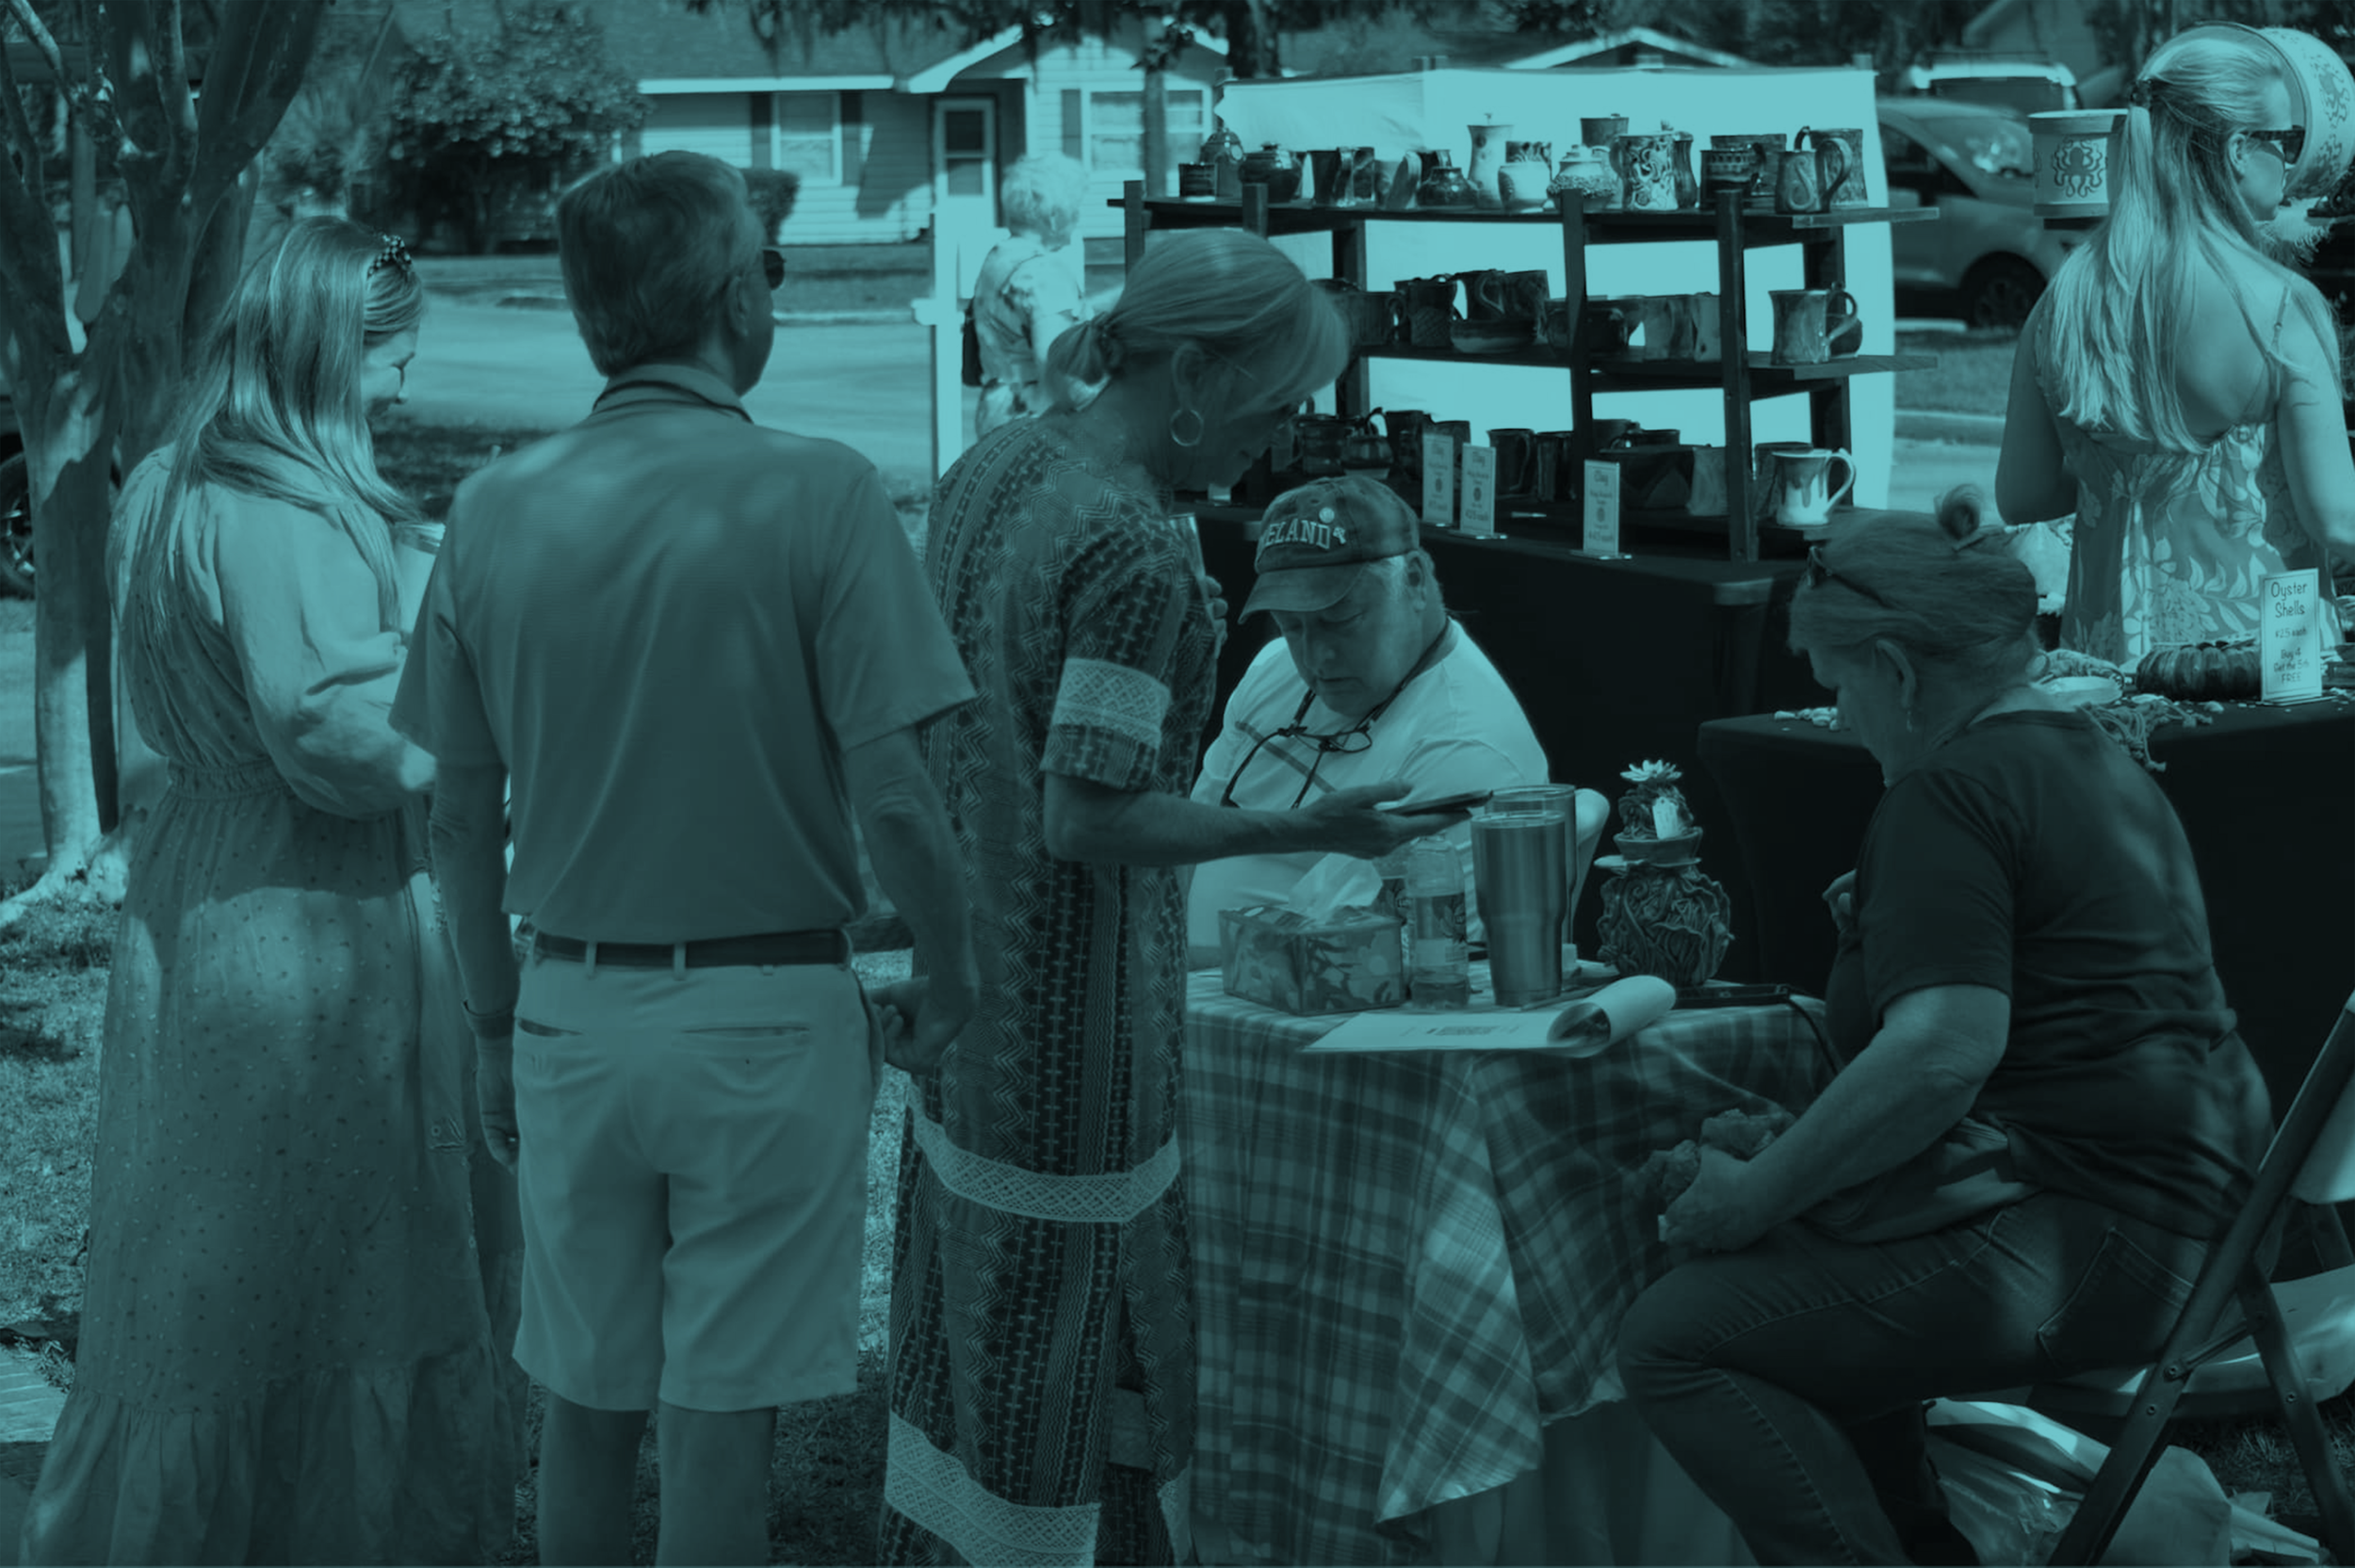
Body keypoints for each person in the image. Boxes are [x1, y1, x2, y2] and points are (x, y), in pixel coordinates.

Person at [390, 151, 980, 1568]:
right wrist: (953, 965)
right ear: (733, 298)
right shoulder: (823, 494)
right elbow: (896, 790)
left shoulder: (490, 506)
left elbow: (462, 814)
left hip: (571, 1004)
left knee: (583, 1401)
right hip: (763, 1016)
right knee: (721, 1421)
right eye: (766, 272)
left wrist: (486, 1022)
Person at [881, 229, 1465, 1567]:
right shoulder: (1136, 548)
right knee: (1072, 1378)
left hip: (966, 995)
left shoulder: (993, 467)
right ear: (1193, 375)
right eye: (1269, 406)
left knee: (967, 1350)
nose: (1274, 443)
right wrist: (1309, 822)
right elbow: (1088, 813)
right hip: (1072, 1037)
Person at [1614, 490, 2273, 1566]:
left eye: (1840, 690)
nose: (1840, 719)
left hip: (2110, 1236)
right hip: (2200, 1217)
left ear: (1902, 671)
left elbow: (1940, 1052)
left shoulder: (1949, 791)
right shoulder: (2085, 751)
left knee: (1677, 1337)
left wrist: (1753, 1198)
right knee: (1804, 1271)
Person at [22, 220, 518, 1563]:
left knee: (201, 1253)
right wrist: (480, 725)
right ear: (326, 349)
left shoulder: (169, 479)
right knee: (334, 1257)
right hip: (307, 912)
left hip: (202, 885)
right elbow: (338, 736)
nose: (403, 391)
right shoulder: (281, 505)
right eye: (391, 364)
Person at [1996, 22, 2355, 664]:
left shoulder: (2063, 300)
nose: (2294, 163)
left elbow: (2023, 495)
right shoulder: (2279, 308)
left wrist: (2117, 467)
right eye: (2287, 140)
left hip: (2109, 666)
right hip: (2266, 664)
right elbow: (2338, 518)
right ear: (2241, 148)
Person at [1185, 475, 1551, 964]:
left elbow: (1337, 962)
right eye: (1292, 625)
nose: (1317, 657)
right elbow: (1182, 850)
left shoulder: (1463, 749)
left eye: (1340, 621)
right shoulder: (1273, 667)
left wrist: (1163, 967)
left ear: (1415, 580)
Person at [971, 151, 1094, 441]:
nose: (1077, 218)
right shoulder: (1046, 273)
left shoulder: (998, 259)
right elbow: (1053, 359)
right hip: (1038, 418)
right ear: (1054, 216)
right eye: (1075, 209)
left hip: (995, 408)